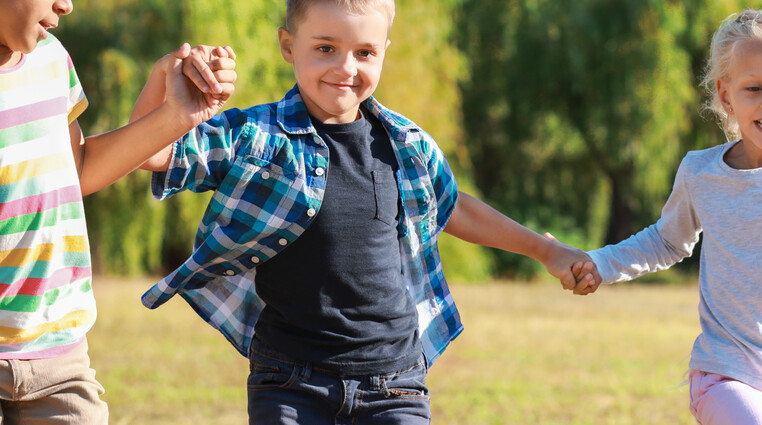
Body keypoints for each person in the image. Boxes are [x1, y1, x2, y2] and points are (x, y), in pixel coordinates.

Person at [129, 0, 592, 423]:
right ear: (288, 46)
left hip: (395, 383)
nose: (345, 68)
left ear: (385, 50)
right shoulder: (254, 135)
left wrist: (544, 251)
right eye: (326, 48)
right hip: (288, 379)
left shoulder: (406, 144)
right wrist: (166, 79)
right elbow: (150, 152)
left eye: (365, 53)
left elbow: (455, 209)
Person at [564, 5, 762, 424]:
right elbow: (666, 241)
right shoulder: (700, 172)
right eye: (754, 88)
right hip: (727, 373)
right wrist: (602, 263)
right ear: (725, 94)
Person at [1, 0, 235, 423]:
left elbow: (79, 170)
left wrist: (177, 116)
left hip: (59, 354)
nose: (66, 5)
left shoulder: (51, 59)